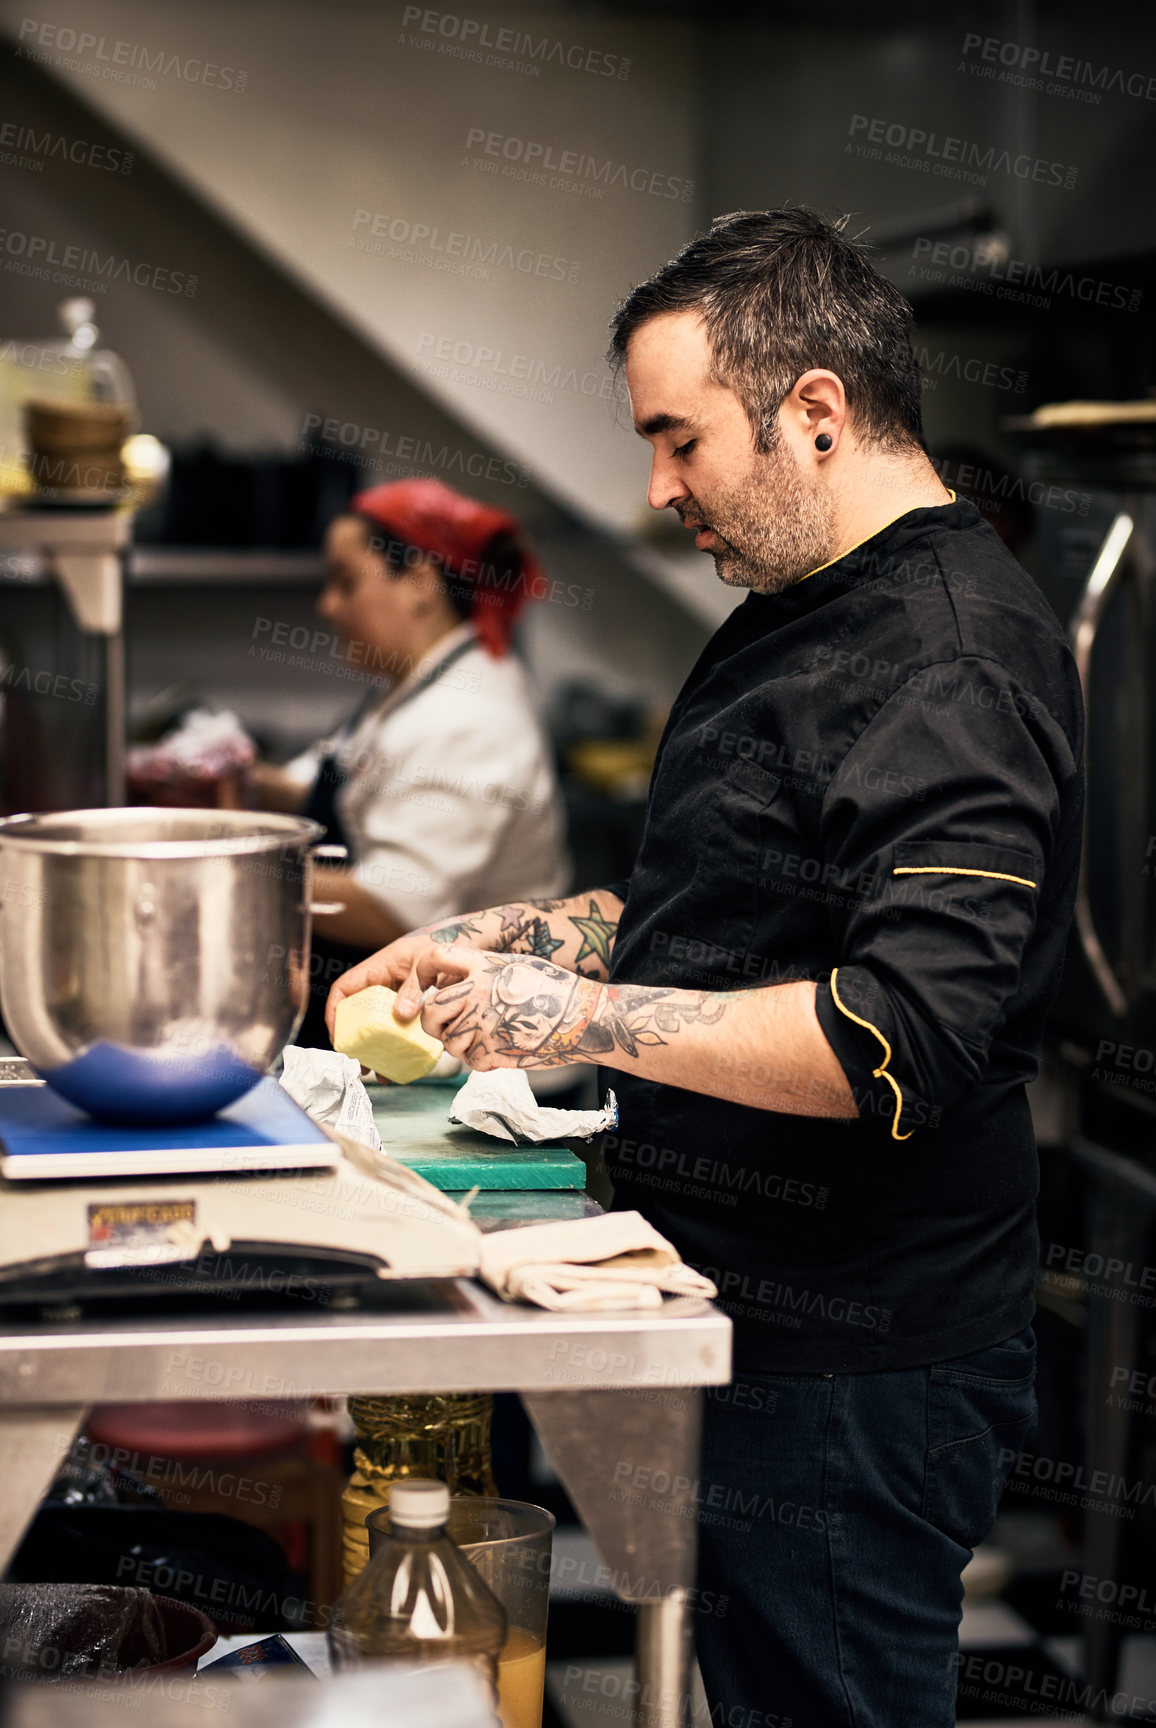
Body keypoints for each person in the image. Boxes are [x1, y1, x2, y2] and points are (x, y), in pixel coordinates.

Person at [326, 209, 1084, 1726]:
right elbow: (747, 909)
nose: (657, 486)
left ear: (815, 412)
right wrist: (513, 937)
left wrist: (583, 1015)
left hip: (852, 1370)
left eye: (679, 441)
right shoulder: (807, 603)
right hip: (741, 1314)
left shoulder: (948, 655)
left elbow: (899, 1033)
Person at [252, 478, 570, 1049]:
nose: (328, 605)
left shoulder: (469, 714)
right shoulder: (409, 689)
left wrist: (241, 876)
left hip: (477, 1059)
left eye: (346, 582)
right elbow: (321, 786)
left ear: (420, 581)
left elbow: (394, 904)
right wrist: (230, 779)